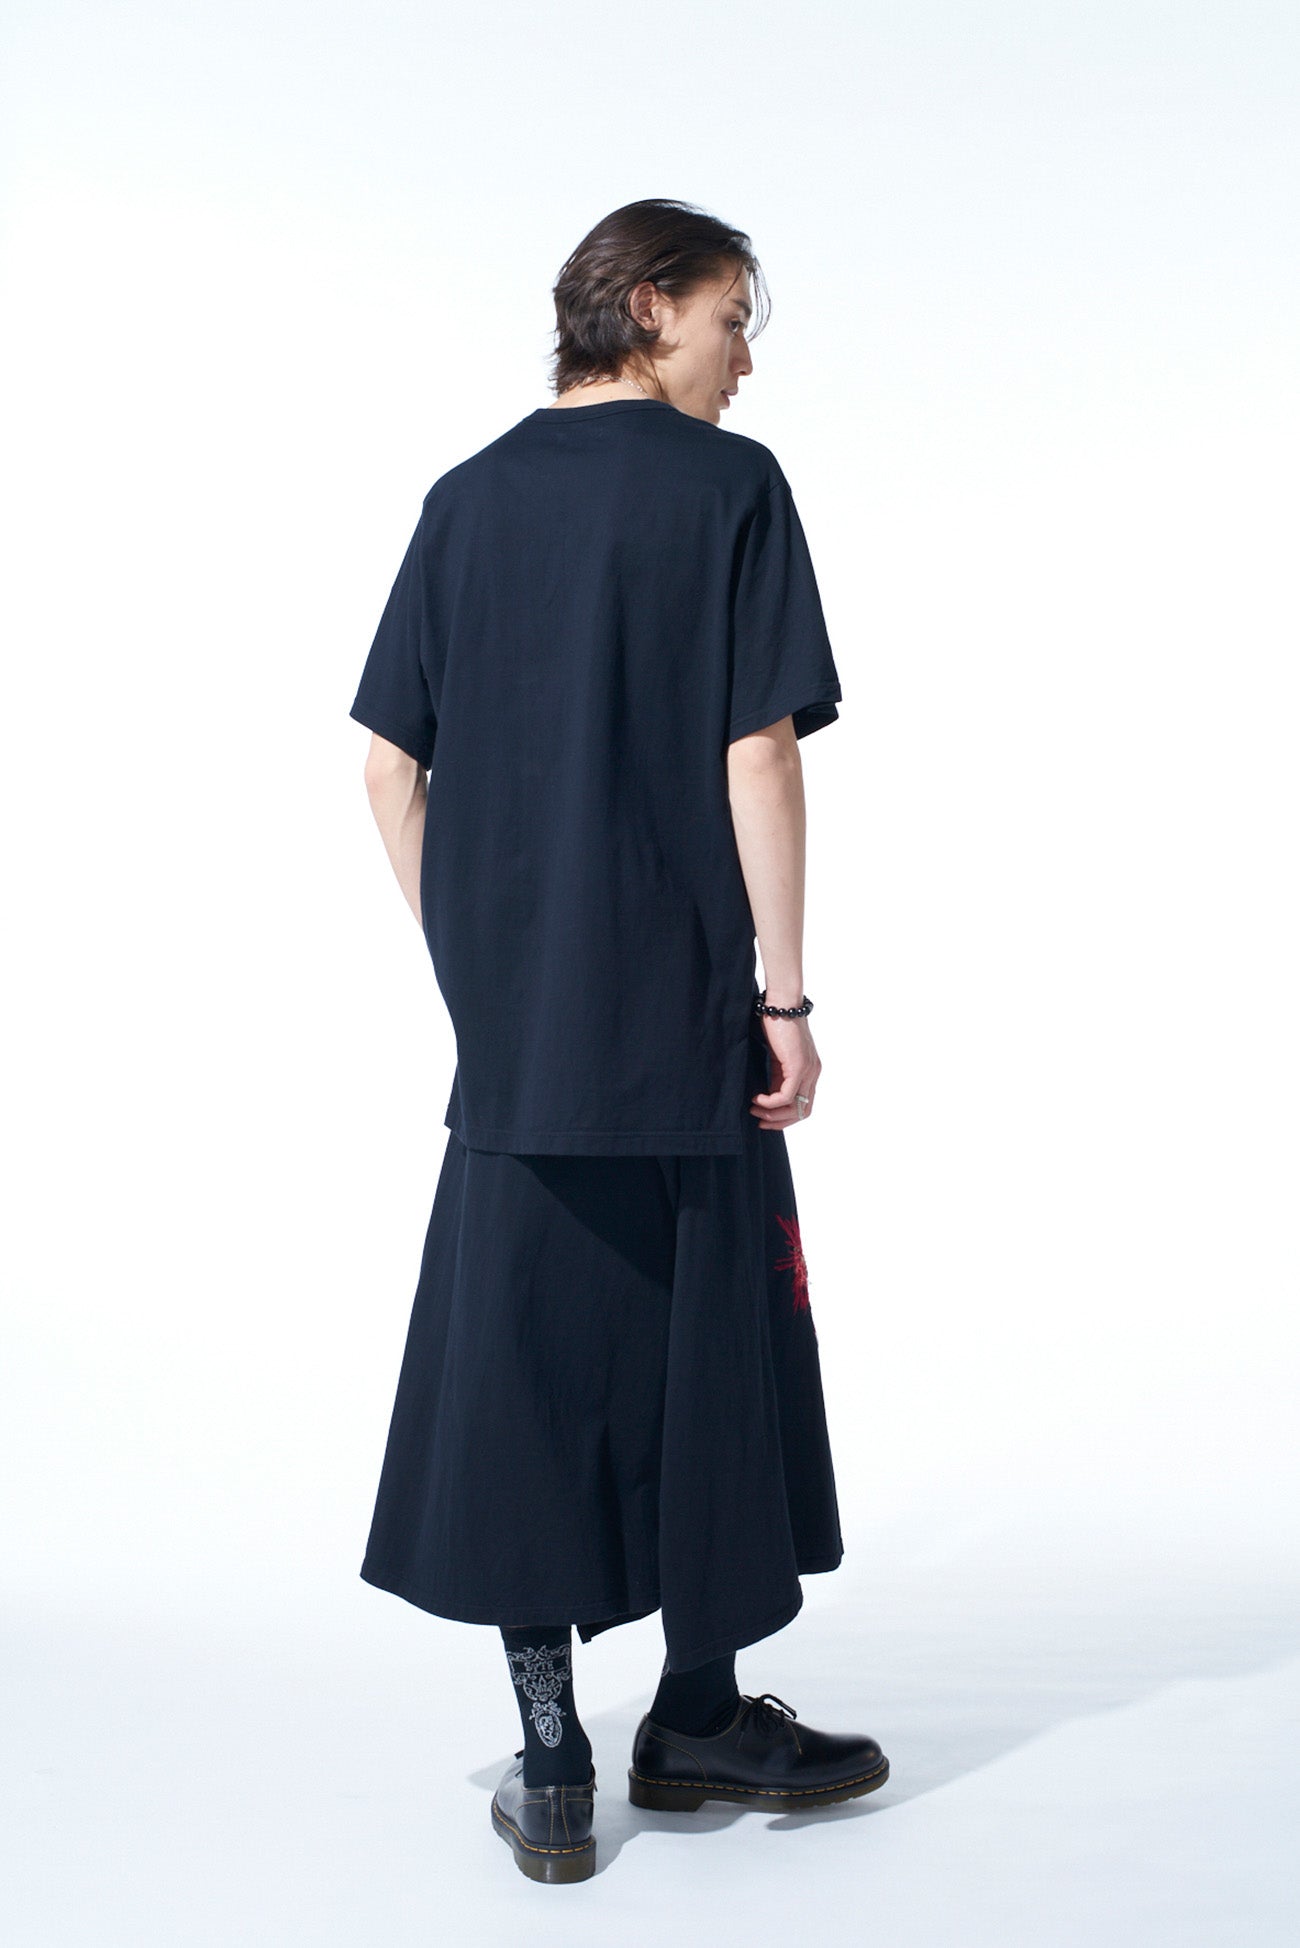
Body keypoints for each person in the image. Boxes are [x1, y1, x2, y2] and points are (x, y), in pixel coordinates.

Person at [347, 197, 888, 1885]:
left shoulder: (465, 499)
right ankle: (699, 1716)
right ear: (649, 307)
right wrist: (784, 998)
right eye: (734, 320)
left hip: (525, 1044)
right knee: (713, 1352)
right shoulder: (729, 489)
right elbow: (760, 757)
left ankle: (555, 1758)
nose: (747, 361)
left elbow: (388, 766)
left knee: (525, 1369)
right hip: (690, 1021)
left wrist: (480, 964)